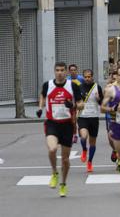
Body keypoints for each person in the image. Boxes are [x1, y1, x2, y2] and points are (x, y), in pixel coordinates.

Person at [38, 62, 84, 197]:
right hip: (52, 123)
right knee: (52, 149)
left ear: (66, 72)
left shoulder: (73, 86)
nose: (60, 73)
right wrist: (40, 108)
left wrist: (73, 105)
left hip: (67, 125)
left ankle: (63, 183)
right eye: (57, 70)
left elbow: (81, 104)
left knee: (65, 159)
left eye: (62, 70)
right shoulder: (48, 85)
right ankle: (54, 173)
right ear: (54, 71)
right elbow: (42, 96)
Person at [101, 65, 120, 176]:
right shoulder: (111, 90)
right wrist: (112, 109)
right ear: (116, 77)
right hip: (116, 123)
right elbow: (102, 108)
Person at [77, 69, 103, 173]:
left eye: (89, 76)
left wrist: (98, 99)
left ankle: (90, 162)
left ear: (92, 76)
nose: (87, 78)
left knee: (92, 142)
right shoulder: (79, 87)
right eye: (85, 76)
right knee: (83, 136)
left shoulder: (97, 87)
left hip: (94, 117)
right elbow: (76, 101)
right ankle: (84, 149)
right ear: (83, 77)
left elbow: (102, 103)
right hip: (83, 116)